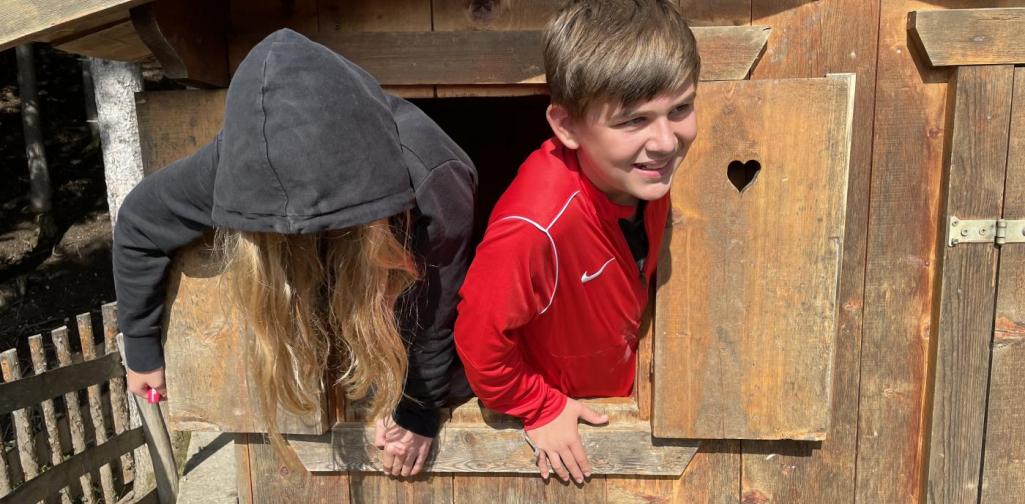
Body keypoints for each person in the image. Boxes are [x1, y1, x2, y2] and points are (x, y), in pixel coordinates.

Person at [113, 29, 476, 477]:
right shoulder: (235, 163)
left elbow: (438, 300)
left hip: (393, 268)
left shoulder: (435, 174)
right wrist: (142, 348)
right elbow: (139, 221)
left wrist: (417, 405)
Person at [453, 0, 700, 484]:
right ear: (566, 126)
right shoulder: (536, 225)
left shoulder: (638, 176)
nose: (667, 141)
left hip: (616, 382)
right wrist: (538, 405)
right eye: (633, 121)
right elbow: (477, 341)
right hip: (575, 426)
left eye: (681, 108)